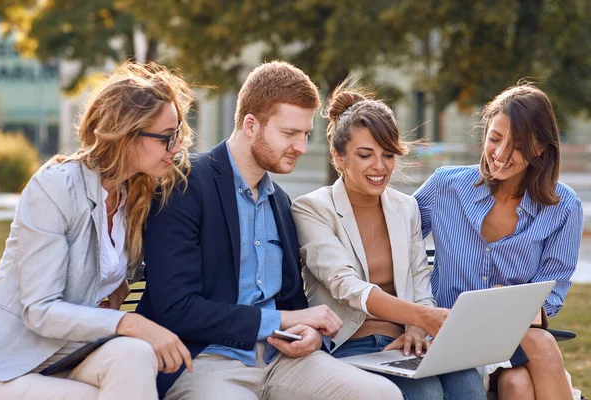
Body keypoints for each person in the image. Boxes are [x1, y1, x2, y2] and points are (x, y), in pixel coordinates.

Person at [136, 61, 404, 400]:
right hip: (206, 360)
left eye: (305, 134)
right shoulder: (184, 185)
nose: (301, 147)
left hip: (283, 360)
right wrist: (285, 320)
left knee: (382, 395)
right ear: (251, 125)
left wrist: (311, 334)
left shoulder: (280, 201)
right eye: (289, 134)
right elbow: (178, 308)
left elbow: (292, 301)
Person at [0, 61, 194, 400]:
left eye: (178, 135)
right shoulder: (56, 187)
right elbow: (39, 310)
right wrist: (130, 323)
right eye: (166, 138)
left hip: (73, 353)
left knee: (137, 356)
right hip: (9, 364)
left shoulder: (135, 194)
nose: (175, 150)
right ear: (127, 135)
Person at [291, 81, 487, 400]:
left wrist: (416, 328)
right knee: (426, 393)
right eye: (365, 155)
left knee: (467, 384)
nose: (380, 167)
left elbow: (420, 282)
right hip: (349, 345)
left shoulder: (405, 206)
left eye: (388, 154)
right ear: (338, 156)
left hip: (404, 341)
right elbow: (346, 285)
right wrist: (421, 316)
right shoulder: (312, 208)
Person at [414, 83, 584, 400]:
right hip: (445, 331)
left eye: (517, 145)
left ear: (540, 149)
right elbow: (397, 238)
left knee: (517, 383)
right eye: (495, 138)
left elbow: (552, 294)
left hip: (511, 336)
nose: (501, 153)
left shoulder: (564, 207)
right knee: (539, 351)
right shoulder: (445, 187)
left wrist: (520, 307)